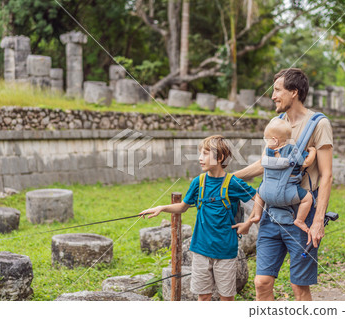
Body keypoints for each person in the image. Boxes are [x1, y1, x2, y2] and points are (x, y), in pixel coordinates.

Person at [233, 68, 333, 301]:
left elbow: (327, 176)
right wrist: (230, 178)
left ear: (294, 92)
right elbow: (264, 164)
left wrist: (318, 221)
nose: (273, 96)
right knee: (262, 282)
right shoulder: (276, 123)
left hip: (302, 216)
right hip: (271, 214)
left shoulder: (318, 124)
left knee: (299, 287)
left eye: (277, 90)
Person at [140, 135, 256, 301]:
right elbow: (182, 207)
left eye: (205, 153)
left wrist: (249, 222)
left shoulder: (233, 183)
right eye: (200, 153)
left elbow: (258, 198)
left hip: (225, 251)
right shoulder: (198, 182)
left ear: (220, 157)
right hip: (200, 250)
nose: (200, 158)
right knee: (203, 297)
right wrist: (162, 208)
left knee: (227, 298)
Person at [249, 117, 317, 233]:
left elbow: (262, 162)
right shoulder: (293, 150)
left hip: (267, 192)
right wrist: (313, 151)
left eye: (266, 139)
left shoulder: (268, 152)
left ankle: (257, 215)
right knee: (308, 199)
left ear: (274, 141)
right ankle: (300, 220)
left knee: (259, 194)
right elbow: (306, 163)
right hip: (287, 192)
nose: (266, 142)